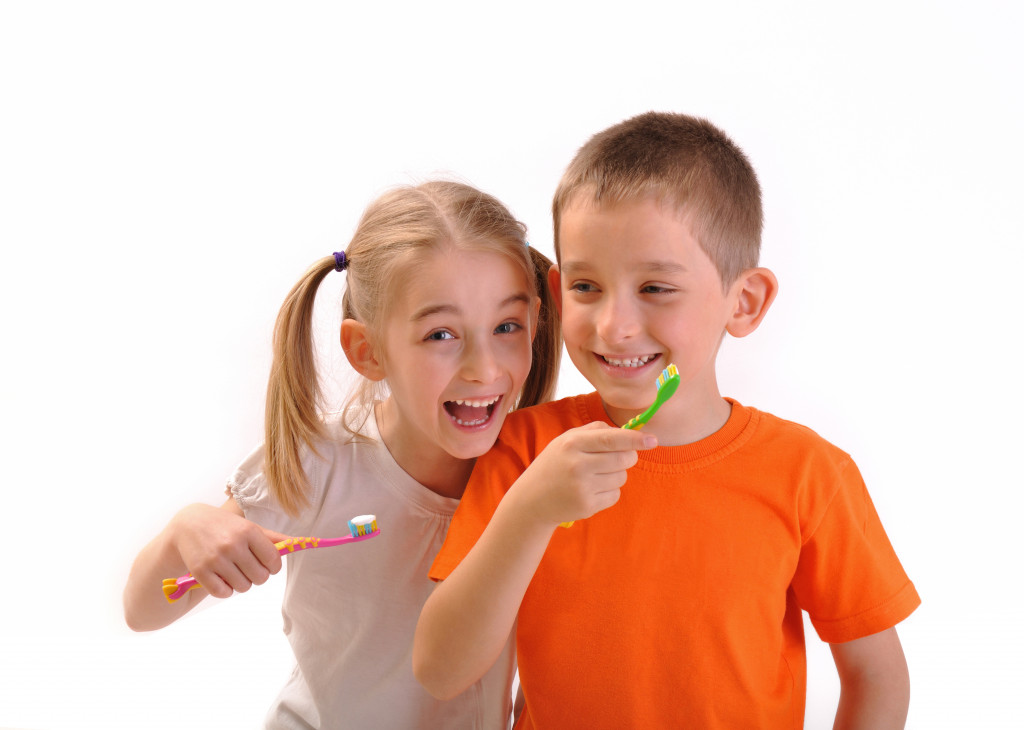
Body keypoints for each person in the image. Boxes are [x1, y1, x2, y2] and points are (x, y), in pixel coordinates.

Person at [414, 113, 920, 729]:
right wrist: (530, 510)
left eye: (655, 287)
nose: (613, 325)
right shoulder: (526, 451)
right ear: (555, 289)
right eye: (586, 286)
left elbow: (876, 675)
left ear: (745, 301)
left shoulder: (810, 474)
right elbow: (442, 670)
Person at [123, 180, 561, 729]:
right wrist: (186, 529)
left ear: (536, 322)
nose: (483, 367)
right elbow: (142, 612)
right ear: (367, 351)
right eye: (441, 334)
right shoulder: (320, 467)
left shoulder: (543, 474)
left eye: (506, 327)